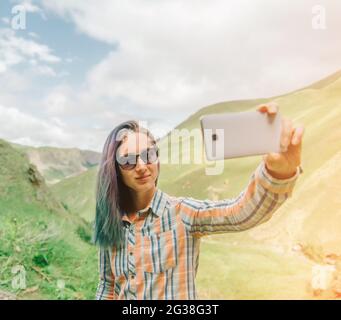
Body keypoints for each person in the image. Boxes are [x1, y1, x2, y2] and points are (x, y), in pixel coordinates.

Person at [94, 103, 304, 300]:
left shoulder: (183, 213)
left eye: (148, 154)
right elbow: (107, 285)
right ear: (115, 169)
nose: (141, 165)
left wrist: (277, 173)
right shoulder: (110, 222)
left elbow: (240, 213)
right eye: (128, 160)